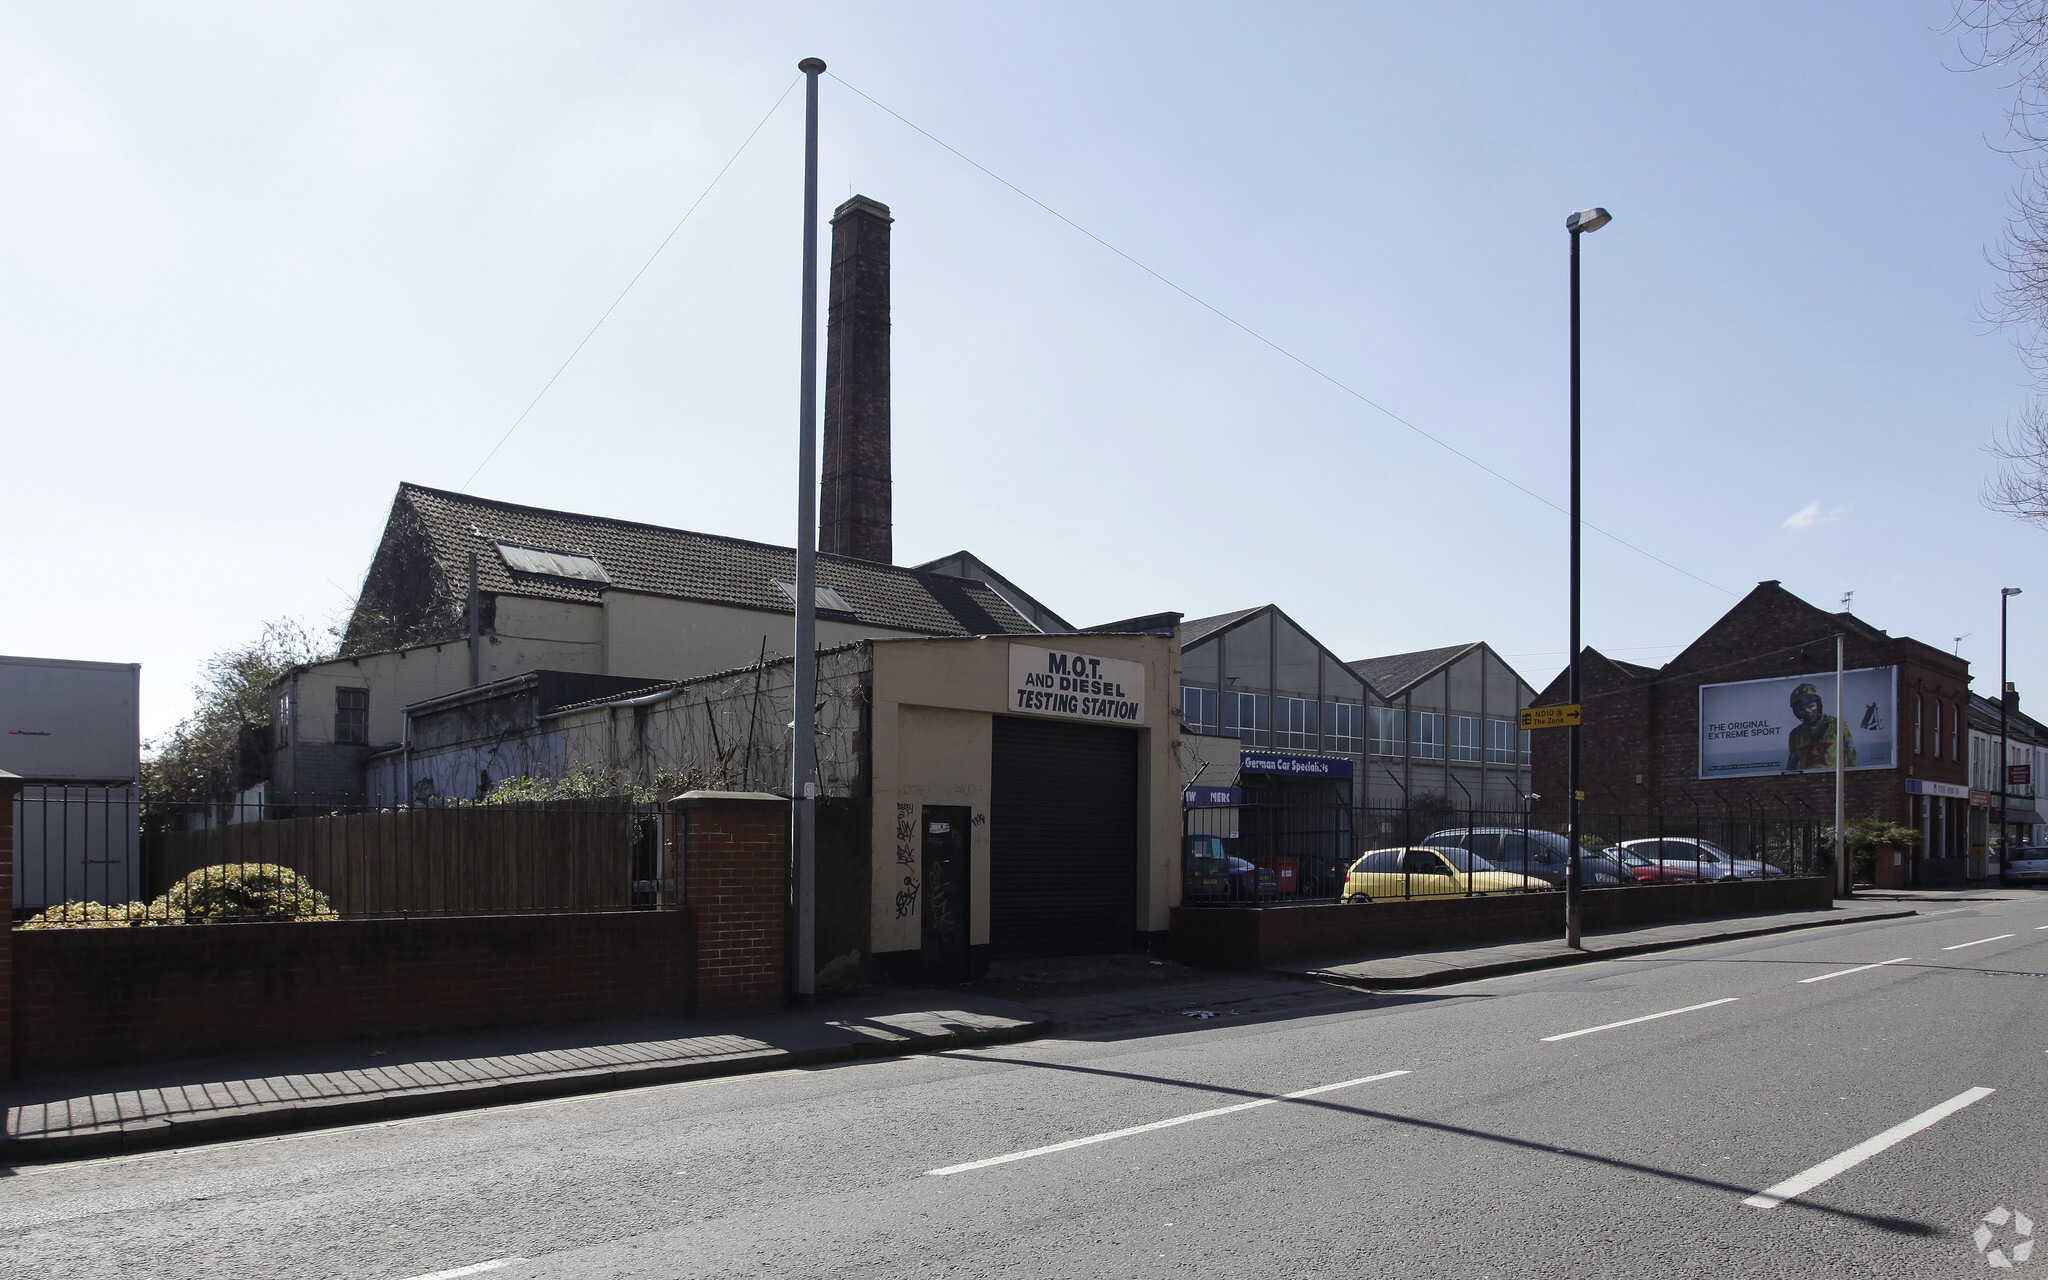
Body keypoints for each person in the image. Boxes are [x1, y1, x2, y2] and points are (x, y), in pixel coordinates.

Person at [1786, 682, 1856, 771]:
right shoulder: (1795, 734)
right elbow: (1792, 766)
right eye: (1801, 709)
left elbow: (1851, 757)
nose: (1807, 711)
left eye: (1811, 706)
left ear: (1818, 705)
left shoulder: (1838, 725)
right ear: (1796, 712)